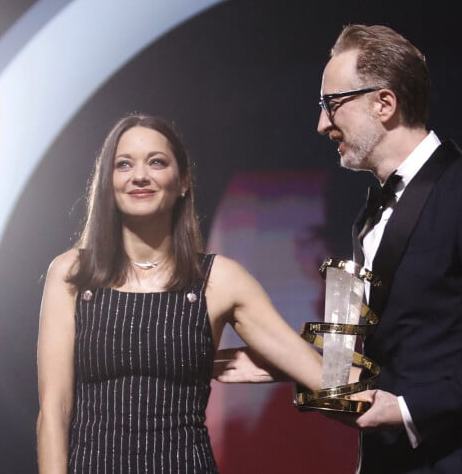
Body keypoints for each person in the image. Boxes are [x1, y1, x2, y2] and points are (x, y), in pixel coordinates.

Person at [36, 113, 322, 473]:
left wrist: (285, 371)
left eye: (156, 162)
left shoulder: (221, 279)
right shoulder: (71, 273)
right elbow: (54, 410)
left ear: (183, 180)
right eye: (123, 164)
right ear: (108, 181)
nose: (140, 175)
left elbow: (320, 375)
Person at [316, 24, 462, 473]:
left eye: (332, 104)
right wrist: (270, 360)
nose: (323, 123)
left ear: (384, 104)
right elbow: (341, 361)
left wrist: (408, 409)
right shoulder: (364, 220)